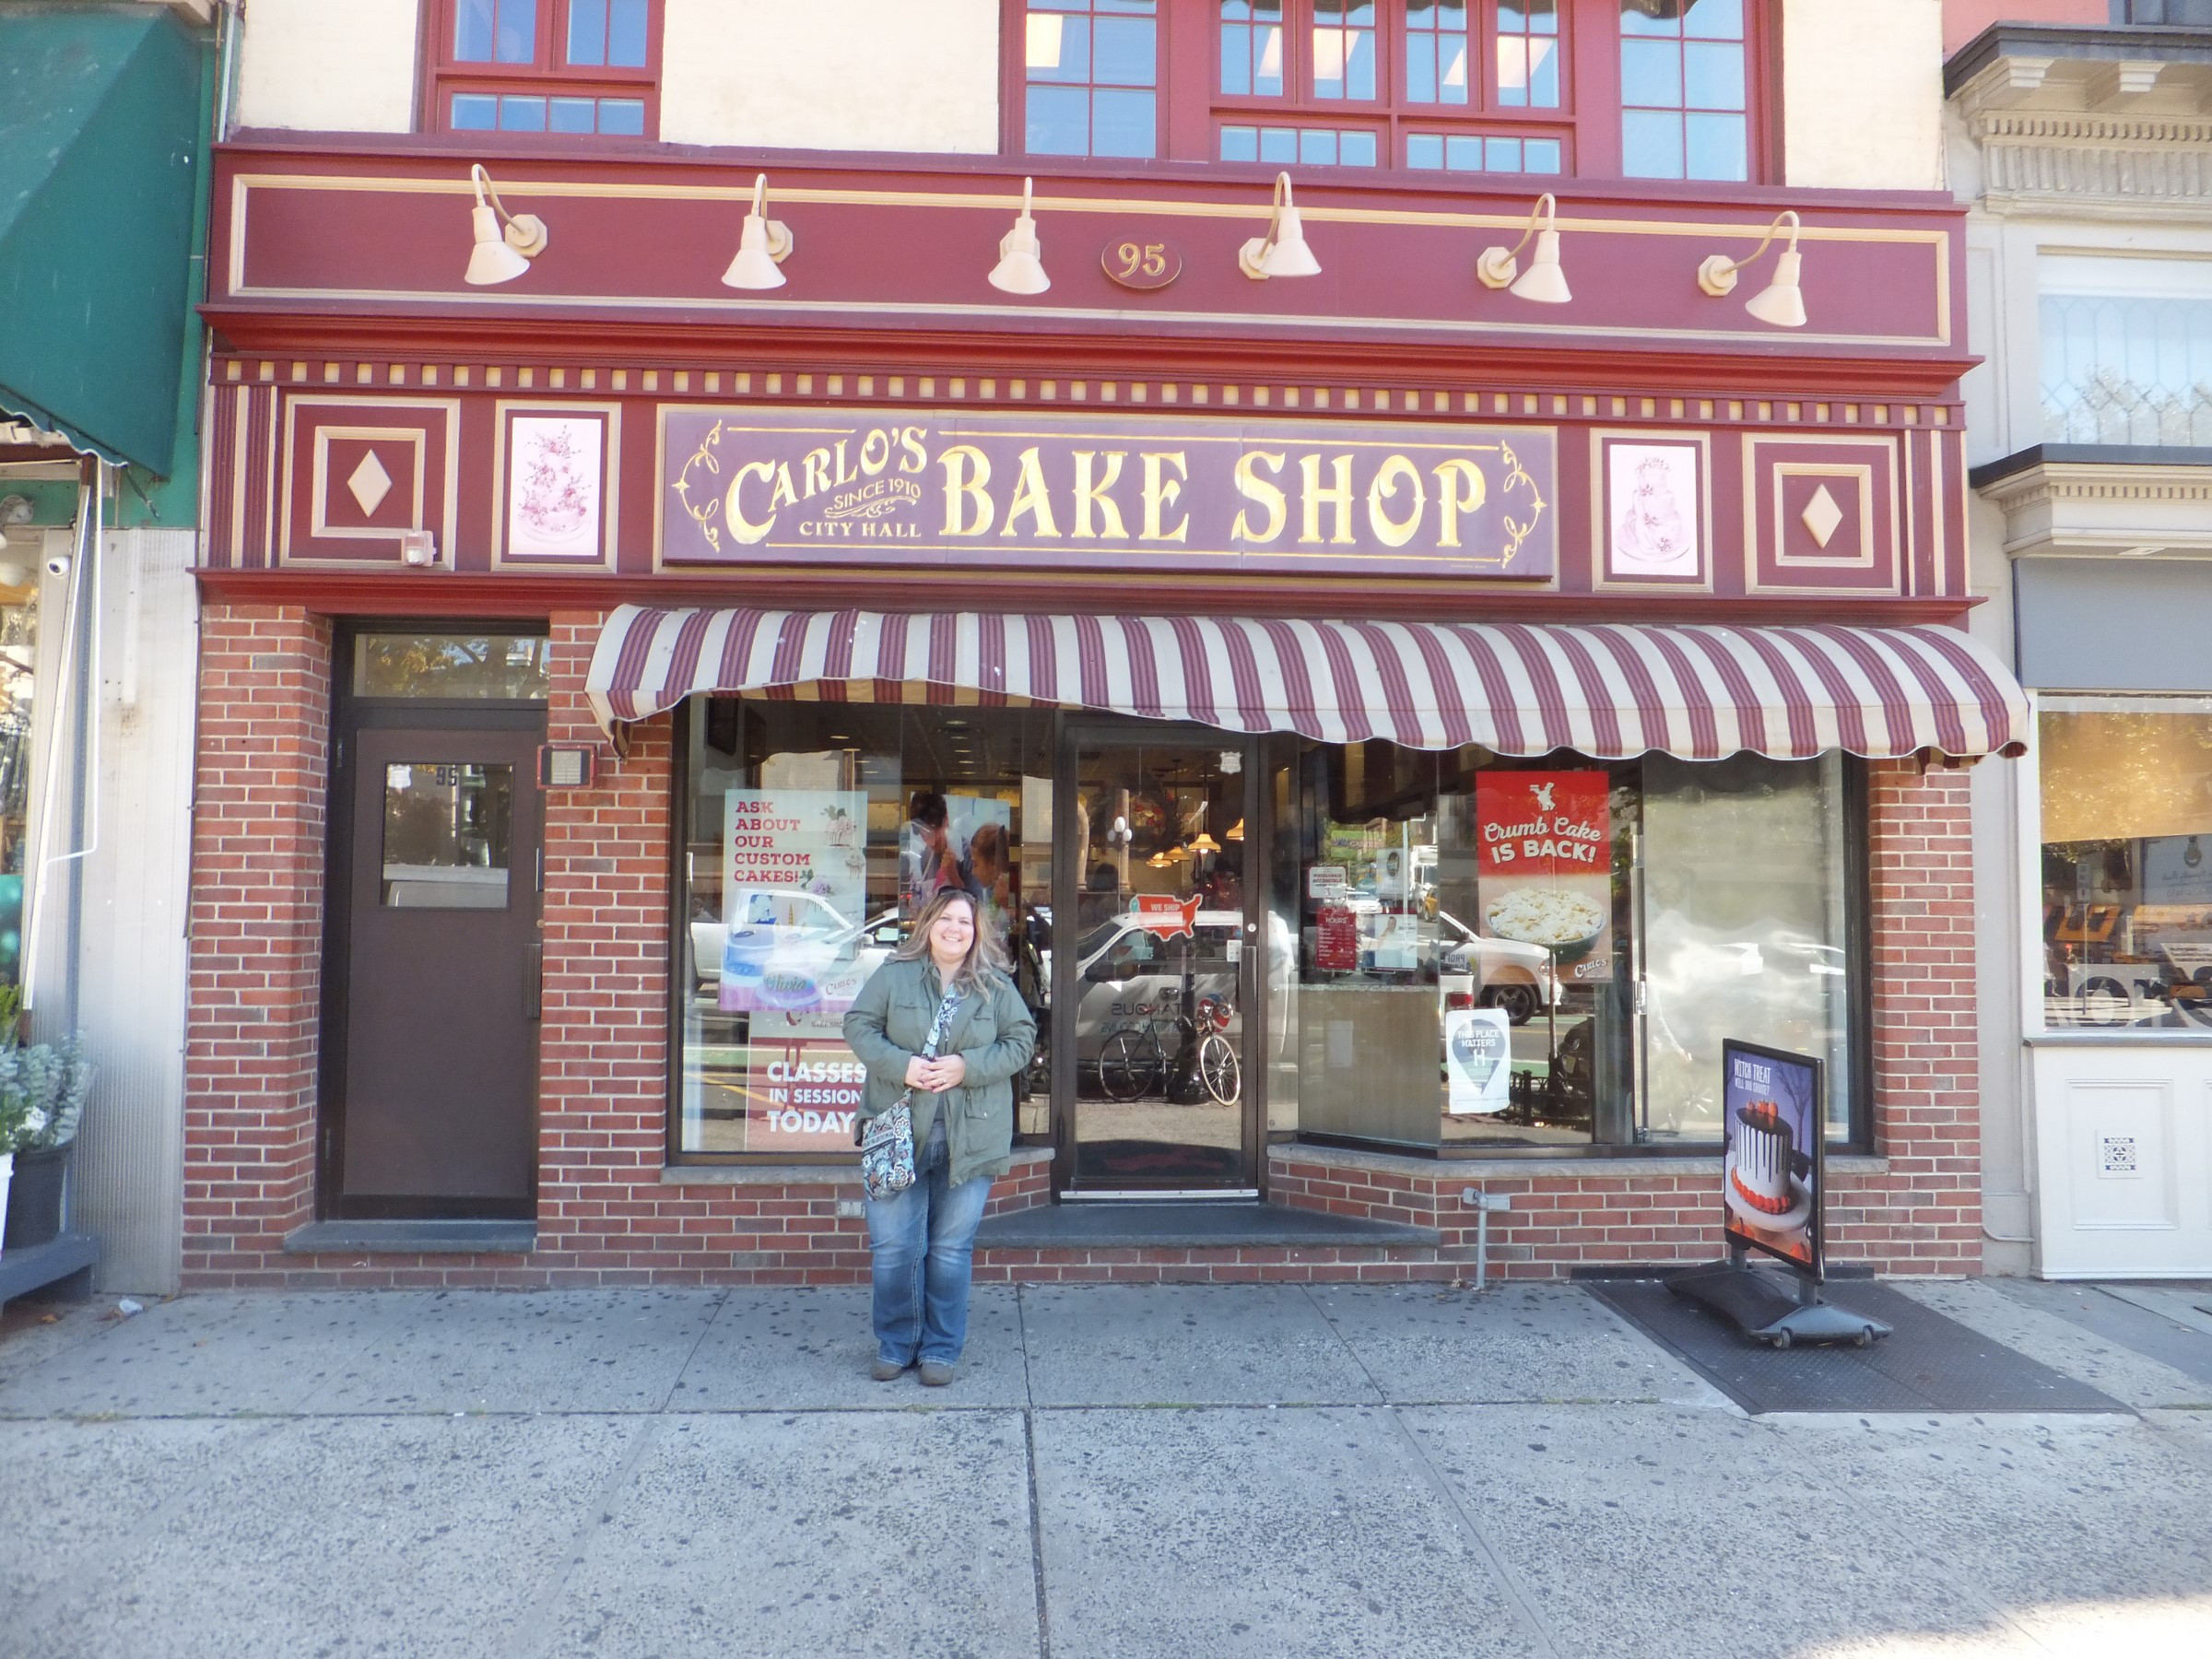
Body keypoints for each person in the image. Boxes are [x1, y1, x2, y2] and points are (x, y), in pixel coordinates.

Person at [841, 888, 1036, 1386]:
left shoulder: (994, 984)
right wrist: (901, 1065)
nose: (956, 929)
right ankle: (896, 1342)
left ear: (977, 932)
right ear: (928, 924)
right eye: (947, 919)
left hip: (970, 1137)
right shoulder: (894, 974)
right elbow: (859, 1025)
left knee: (950, 1249)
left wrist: (967, 1067)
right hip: (899, 1132)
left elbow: (1021, 1041)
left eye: (966, 922)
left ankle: (941, 1349)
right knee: (893, 1248)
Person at [898, 790, 955, 916]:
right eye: (922, 835)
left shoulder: (967, 853)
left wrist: (953, 875)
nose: (930, 842)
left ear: (945, 821)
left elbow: (975, 904)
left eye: (933, 832)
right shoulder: (925, 855)